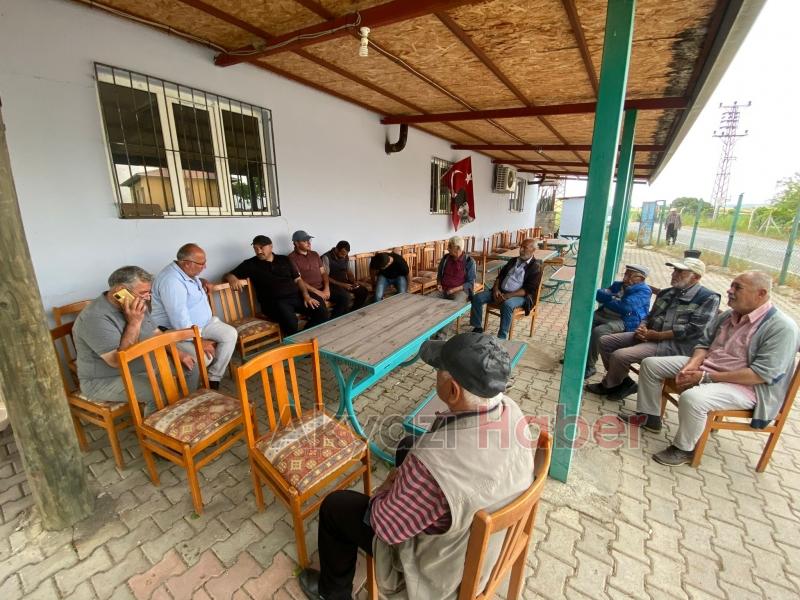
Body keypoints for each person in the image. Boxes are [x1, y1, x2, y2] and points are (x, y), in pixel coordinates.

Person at [298, 333, 534, 600]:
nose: (434, 374)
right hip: (490, 539)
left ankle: (333, 593)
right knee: (407, 444)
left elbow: (385, 526)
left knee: (335, 506)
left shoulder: (431, 464)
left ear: (453, 391)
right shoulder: (510, 409)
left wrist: (386, 489)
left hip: (444, 574)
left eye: (438, 370)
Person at [621, 271, 799, 466]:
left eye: (737, 287)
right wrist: (692, 364)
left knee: (694, 398)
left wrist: (704, 377)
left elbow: (761, 375)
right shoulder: (731, 314)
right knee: (651, 364)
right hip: (709, 368)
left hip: (748, 387)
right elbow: (704, 344)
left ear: (761, 293)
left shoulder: (782, 328)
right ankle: (649, 417)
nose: (729, 291)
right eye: (731, 285)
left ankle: (684, 448)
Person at [586, 258, 719, 400]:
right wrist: (642, 327)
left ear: (696, 277)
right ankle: (624, 383)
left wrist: (657, 336)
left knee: (620, 355)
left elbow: (694, 329)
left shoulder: (708, 297)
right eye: (674, 270)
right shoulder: (667, 292)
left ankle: (609, 384)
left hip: (675, 345)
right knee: (605, 341)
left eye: (680, 271)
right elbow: (650, 315)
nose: (674, 274)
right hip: (651, 336)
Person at [73, 266, 198, 413]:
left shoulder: (134, 303)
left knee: (190, 367)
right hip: (105, 378)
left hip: (141, 363)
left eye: (148, 292)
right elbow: (116, 361)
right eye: (143, 293)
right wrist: (134, 323)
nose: (148, 298)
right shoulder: (94, 318)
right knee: (160, 394)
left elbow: (156, 333)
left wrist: (178, 354)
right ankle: (156, 432)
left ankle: (183, 413)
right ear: (119, 290)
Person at [150, 243, 237, 390]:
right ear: (187, 264)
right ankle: (190, 393)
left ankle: (213, 378)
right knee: (204, 358)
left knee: (230, 334)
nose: (205, 267)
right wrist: (199, 341)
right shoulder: (171, 281)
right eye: (202, 264)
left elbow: (191, 290)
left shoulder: (187, 273)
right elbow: (179, 319)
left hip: (204, 324)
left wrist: (203, 281)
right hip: (176, 331)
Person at [224, 235, 328, 336]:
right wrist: (231, 278)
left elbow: (298, 280)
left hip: (296, 296)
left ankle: (303, 337)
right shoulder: (250, 264)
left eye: (261, 248)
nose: (259, 251)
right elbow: (227, 275)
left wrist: (306, 295)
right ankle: (299, 344)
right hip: (273, 302)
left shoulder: (284, 259)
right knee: (290, 322)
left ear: (270, 246)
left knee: (321, 310)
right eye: (256, 249)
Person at [583, 265, 652, 379]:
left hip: (624, 320)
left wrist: (609, 297)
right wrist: (614, 298)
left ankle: (590, 366)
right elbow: (598, 294)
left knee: (598, 331)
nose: (626, 278)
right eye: (626, 274)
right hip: (603, 314)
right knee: (582, 322)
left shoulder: (644, 291)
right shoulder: (618, 285)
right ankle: (575, 355)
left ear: (641, 279)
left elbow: (625, 307)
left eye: (630, 276)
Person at [469, 239, 542, 339]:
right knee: (477, 297)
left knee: (507, 305)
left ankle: (502, 336)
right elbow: (500, 276)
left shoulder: (535, 267)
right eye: (521, 247)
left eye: (525, 247)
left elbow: (528, 289)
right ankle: (477, 327)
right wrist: (495, 289)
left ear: (533, 250)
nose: (521, 250)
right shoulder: (513, 261)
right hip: (500, 291)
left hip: (520, 296)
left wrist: (507, 296)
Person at [289, 230, 349, 319]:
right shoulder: (291, 258)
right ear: (296, 243)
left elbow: (323, 273)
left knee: (344, 297)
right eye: (305, 241)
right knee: (321, 310)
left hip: (322, 287)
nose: (309, 243)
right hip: (309, 291)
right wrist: (318, 292)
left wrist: (327, 288)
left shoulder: (314, 254)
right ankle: (324, 325)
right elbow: (299, 280)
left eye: (309, 240)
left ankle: (333, 321)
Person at [322, 240, 368, 312]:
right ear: (337, 249)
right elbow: (325, 277)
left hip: (344, 282)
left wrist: (353, 281)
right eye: (342, 254)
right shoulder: (326, 257)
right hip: (332, 285)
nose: (344, 256)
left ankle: (352, 312)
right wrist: (342, 285)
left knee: (363, 291)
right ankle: (337, 316)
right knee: (345, 297)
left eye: (346, 254)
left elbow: (348, 271)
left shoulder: (345, 256)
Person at [435, 235, 477, 303]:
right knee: (428, 300)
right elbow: (439, 273)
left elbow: (470, 283)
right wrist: (439, 284)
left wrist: (453, 290)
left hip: (460, 292)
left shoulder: (469, 261)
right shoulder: (446, 258)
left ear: (458, 248)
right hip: (443, 290)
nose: (448, 249)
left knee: (453, 306)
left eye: (450, 246)